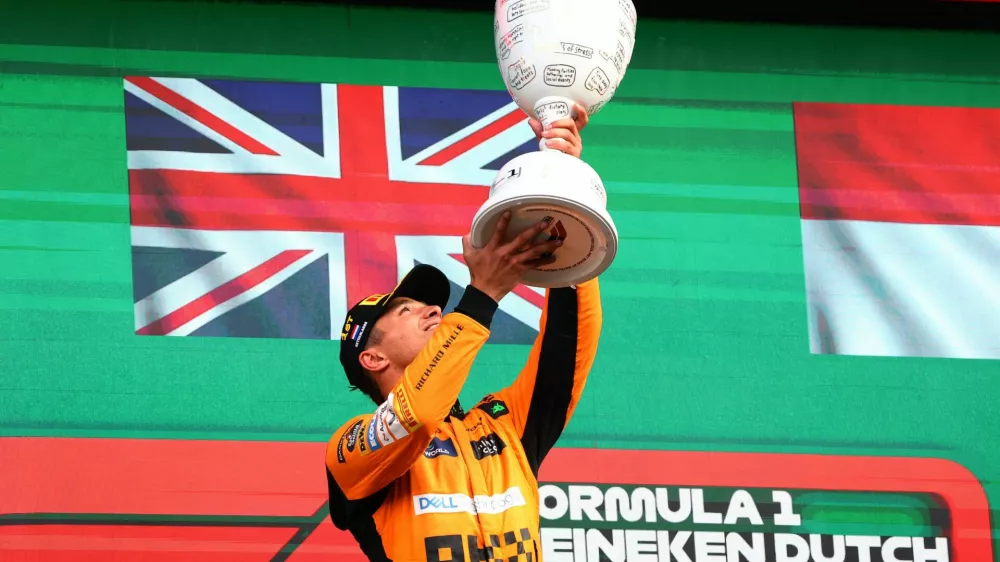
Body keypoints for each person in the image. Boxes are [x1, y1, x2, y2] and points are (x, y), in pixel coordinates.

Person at [325, 104, 602, 562]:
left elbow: (569, 347)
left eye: (432, 304)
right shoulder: (351, 451)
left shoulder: (504, 423)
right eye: (406, 310)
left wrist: (565, 199)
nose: (434, 309)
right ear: (372, 358)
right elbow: (415, 416)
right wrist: (482, 295)